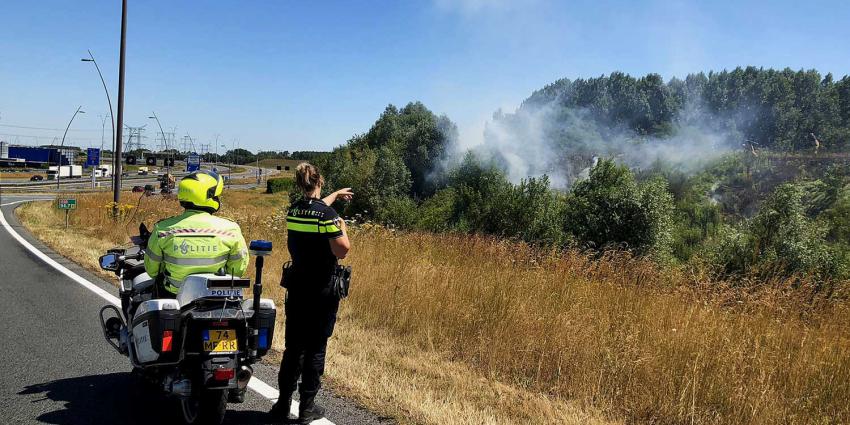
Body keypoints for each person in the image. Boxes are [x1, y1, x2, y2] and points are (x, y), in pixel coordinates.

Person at [269, 163, 352, 423]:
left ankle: (282, 404)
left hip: (298, 286)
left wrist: (335, 195)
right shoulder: (328, 217)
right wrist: (343, 227)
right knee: (316, 347)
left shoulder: (294, 211)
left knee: (293, 347)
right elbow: (342, 250)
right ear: (319, 182)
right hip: (322, 289)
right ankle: (307, 406)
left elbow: (314, 207)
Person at [144, 170, 249, 296]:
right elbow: (238, 270)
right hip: (217, 298)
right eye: (215, 196)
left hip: (174, 297)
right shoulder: (231, 229)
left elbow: (152, 270)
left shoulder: (163, 229)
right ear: (208, 196)